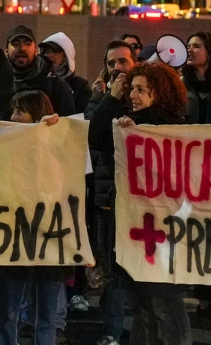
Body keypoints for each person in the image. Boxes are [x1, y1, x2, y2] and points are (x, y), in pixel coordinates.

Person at [104, 63, 191, 345]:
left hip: (166, 234)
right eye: (132, 89)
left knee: (166, 306)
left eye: (141, 90)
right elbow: (95, 138)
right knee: (141, 306)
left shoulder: (174, 130)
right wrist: (111, 104)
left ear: (160, 94)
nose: (133, 95)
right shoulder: (127, 124)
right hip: (133, 230)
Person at [0, 90, 66, 345]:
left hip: (50, 237)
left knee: (45, 315)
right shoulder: (4, 144)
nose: (12, 117)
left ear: (37, 114)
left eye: (20, 111)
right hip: (13, 235)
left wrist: (52, 136)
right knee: (7, 311)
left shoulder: (61, 142)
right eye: (13, 110)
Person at [84, 39, 139, 342]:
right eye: (112, 63)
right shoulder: (99, 100)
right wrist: (111, 100)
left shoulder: (147, 96)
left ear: (135, 63)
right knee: (115, 269)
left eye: (123, 62)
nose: (118, 68)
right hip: (110, 198)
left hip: (145, 199)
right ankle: (113, 333)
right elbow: (91, 134)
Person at [2, 25, 77, 115]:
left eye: (28, 43)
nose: (22, 48)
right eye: (16, 44)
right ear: (6, 51)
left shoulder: (55, 85)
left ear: (35, 50)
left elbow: (67, 124)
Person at [38, 32, 91, 110]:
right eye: (46, 52)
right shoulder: (37, 81)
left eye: (55, 52)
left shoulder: (80, 86)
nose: (49, 55)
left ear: (66, 55)